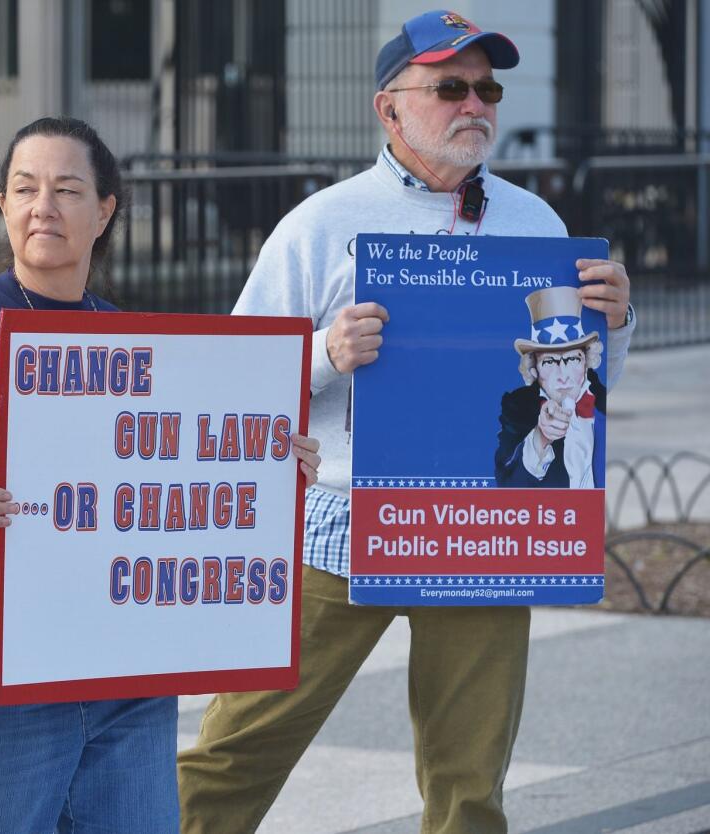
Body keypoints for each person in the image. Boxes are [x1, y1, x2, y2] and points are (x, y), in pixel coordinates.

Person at [177, 10, 634, 834]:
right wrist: (324, 353)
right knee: (233, 752)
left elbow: (587, 397)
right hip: (340, 524)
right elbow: (230, 383)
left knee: (469, 783)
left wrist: (618, 325)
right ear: (389, 109)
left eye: (487, 88)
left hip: (489, 529)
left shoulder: (539, 226)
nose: (476, 105)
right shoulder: (321, 226)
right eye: (450, 87)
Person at [0, 116, 322, 834]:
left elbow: (186, 468)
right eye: (25, 188)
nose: (44, 206)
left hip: (126, 668)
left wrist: (271, 463)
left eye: (67, 189)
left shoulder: (132, 334)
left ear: (105, 211)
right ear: (2, 206)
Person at [496, 286, 607, 488]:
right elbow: (507, 486)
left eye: (573, 358)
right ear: (534, 369)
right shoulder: (517, 408)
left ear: (586, 361)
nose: (563, 375)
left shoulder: (602, 399)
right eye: (549, 362)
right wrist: (540, 438)